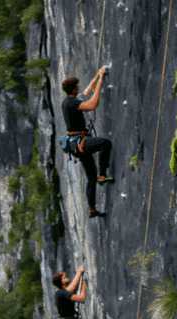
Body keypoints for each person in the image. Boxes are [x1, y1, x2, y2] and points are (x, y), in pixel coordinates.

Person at [61, 68, 113, 218]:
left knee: (91, 178)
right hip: (81, 143)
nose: (79, 88)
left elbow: (86, 92)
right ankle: (102, 175)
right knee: (105, 144)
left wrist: (97, 76)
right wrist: (101, 81)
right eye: (77, 86)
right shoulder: (71, 103)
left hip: (76, 145)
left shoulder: (68, 101)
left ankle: (92, 210)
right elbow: (92, 104)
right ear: (73, 89)